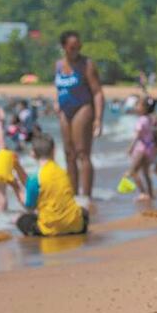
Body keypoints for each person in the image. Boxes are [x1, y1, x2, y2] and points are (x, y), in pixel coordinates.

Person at [54, 30, 104, 202]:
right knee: (69, 154)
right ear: (64, 47)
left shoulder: (87, 65)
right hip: (64, 111)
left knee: (82, 153)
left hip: (83, 108)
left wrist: (98, 118)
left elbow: (97, 92)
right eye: (72, 48)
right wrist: (56, 103)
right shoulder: (58, 65)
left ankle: (86, 196)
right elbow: (59, 88)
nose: (76, 51)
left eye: (78, 47)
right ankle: (72, 194)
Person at [14, 134, 88, 237]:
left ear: (33, 154)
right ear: (54, 150)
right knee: (83, 211)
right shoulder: (63, 172)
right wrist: (18, 168)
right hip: (76, 227)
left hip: (52, 230)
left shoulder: (35, 178)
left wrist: (15, 186)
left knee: (22, 220)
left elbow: (29, 206)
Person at [123, 95, 157, 202]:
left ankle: (142, 192)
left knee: (133, 171)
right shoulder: (149, 118)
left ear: (144, 108)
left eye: (138, 105)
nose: (136, 107)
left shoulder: (141, 120)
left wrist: (130, 147)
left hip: (141, 149)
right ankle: (150, 194)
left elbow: (137, 136)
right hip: (149, 148)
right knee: (146, 173)